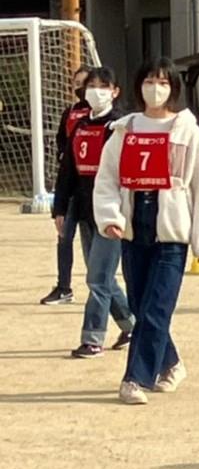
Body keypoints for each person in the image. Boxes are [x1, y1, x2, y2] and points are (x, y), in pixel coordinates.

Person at [93, 58, 199, 405]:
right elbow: (106, 179)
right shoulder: (124, 129)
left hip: (172, 230)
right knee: (139, 303)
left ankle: (135, 378)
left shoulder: (187, 130)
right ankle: (171, 362)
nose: (155, 88)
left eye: (162, 82)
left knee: (157, 306)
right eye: (149, 81)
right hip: (136, 226)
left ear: (173, 87)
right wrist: (110, 217)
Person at [53, 67, 135, 358]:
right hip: (86, 209)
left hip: (112, 213)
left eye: (103, 86)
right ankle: (131, 325)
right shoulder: (80, 125)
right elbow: (68, 173)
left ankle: (93, 338)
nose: (95, 91)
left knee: (98, 279)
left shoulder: (121, 127)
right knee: (101, 277)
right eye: (91, 85)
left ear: (115, 92)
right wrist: (60, 208)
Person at [40, 66, 91, 305]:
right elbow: (62, 140)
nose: (79, 88)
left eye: (84, 83)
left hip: (89, 189)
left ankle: (100, 287)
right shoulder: (69, 111)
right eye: (76, 84)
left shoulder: (100, 115)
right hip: (70, 188)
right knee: (64, 237)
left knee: (92, 244)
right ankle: (64, 287)